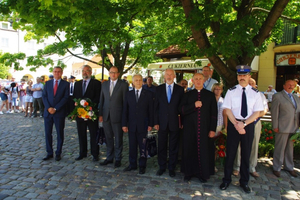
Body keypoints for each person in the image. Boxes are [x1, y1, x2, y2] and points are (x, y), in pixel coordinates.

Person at [219, 65, 264, 193]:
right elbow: (227, 109)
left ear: (249, 76)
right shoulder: (231, 91)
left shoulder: (256, 93)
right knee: (231, 154)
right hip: (234, 125)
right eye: (240, 75)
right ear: (237, 77)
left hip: (248, 125)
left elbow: (257, 112)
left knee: (246, 155)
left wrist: (243, 124)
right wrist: (237, 124)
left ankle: (244, 182)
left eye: (244, 75)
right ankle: (226, 180)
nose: (242, 77)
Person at [179, 73, 217, 182]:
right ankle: (188, 173)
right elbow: (181, 109)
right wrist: (193, 105)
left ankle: (203, 174)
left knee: (204, 151)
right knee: (189, 149)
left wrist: (212, 129)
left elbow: (214, 114)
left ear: (203, 80)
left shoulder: (210, 95)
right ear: (193, 81)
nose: (198, 81)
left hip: (205, 129)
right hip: (189, 129)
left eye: (200, 79)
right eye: (196, 79)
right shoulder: (187, 95)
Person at [233, 78, 268, 177]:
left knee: (253, 145)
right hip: (240, 123)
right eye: (249, 83)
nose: (251, 85)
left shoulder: (260, 95)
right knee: (239, 146)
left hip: (255, 123)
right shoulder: (238, 93)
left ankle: (252, 167)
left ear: (255, 85)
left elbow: (264, 110)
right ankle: (237, 167)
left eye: (253, 84)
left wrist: (252, 119)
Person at [154, 68, 184, 177]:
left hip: (175, 122)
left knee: (173, 146)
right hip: (161, 122)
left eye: (171, 74)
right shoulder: (158, 89)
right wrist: (156, 122)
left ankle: (172, 167)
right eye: (167, 74)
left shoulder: (180, 90)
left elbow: (182, 107)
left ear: (174, 76)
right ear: (164, 76)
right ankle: (162, 167)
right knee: (161, 145)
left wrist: (182, 122)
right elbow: (155, 107)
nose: (169, 76)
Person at [122, 74, 154, 174]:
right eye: (136, 80)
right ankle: (132, 164)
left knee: (143, 146)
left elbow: (151, 110)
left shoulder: (148, 94)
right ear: (133, 82)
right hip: (131, 125)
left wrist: (150, 124)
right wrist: (124, 124)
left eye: (140, 80)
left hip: (143, 125)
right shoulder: (128, 94)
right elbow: (125, 110)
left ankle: (142, 165)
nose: (138, 82)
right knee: (132, 146)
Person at [99, 66, 128, 167]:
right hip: (106, 115)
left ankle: (118, 159)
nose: (113, 74)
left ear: (118, 74)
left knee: (118, 139)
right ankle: (109, 157)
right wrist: (100, 114)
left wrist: (125, 118)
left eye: (115, 72)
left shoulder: (123, 85)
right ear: (109, 73)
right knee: (108, 138)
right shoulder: (104, 84)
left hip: (118, 116)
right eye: (111, 72)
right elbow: (101, 100)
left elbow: (125, 103)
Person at [271, 79, 300, 178]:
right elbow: (274, 112)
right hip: (282, 127)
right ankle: (277, 167)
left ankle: (289, 167)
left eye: (293, 85)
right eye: (289, 85)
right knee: (280, 148)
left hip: (294, 127)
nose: (291, 87)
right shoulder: (278, 96)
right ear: (284, 86)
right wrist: (275, 126)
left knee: (289, 149)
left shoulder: (296, 97)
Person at [73, 65, 101, 161]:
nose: (85, 73)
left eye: (87, 71)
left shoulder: (96, 83)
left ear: (91, 72)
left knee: (94, 134)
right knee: (81, 134)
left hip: (91, 114)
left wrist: (90, 107)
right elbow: (75, 97)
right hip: (80, 114)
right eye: (83, 71)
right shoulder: (77, 84)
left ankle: (95, 154)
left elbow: (98, 98)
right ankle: (82, 153)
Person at [42, 66, 70, 161]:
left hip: (59, 113)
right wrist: (48, 107)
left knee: (59, 133)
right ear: (53, 73)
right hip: (48, 113)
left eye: (58, 72)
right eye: (55, 71)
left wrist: (56, 108)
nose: (57, 73)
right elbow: (44, 96)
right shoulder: (48, 83)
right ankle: (49, 152)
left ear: (61, 73)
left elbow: (66, 98)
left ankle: (58, 153)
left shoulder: (66, 84)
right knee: (48, 133)